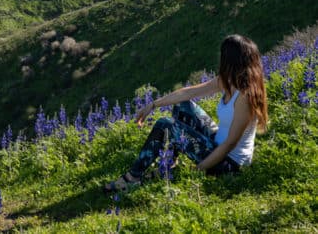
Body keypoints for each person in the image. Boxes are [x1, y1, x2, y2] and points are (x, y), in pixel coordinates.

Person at [104, 34, 268, 192]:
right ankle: (168, 165)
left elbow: (230, 144)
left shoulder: (245, 96)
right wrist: (153, 105)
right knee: (183, 105)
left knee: (166, 125)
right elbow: (187, 93)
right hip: (216, 144)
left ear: (230, 60)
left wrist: (197, 169)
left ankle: (133, 177)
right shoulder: (228, 81)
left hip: (229, 164)